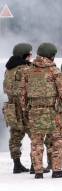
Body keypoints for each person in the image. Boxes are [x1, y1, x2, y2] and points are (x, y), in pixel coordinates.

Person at [20, 42, 62, 178]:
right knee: (57, 139)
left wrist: (25, 109)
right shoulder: (54, 71)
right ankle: (56, 170)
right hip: (52, 112)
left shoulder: (27, 71)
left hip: (34, 111)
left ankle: (38, 171)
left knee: (36, 142)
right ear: (51, 55)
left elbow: (23, 93)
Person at [3, 43, 32, 173]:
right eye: (29, 54)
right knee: (35, 136)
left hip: (12, 107)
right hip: (25, 106)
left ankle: (17, 164)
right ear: (24, 55)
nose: (31, 56)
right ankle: (35, 165)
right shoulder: (25, 69)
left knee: (15, 136)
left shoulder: (8, 69)